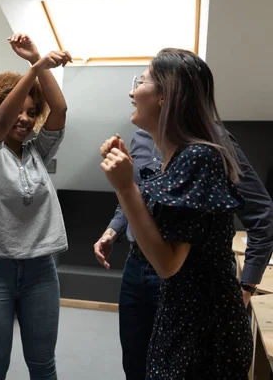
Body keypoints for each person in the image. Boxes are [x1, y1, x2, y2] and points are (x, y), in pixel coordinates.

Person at [100, 48, 253, 379]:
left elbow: (167, 264)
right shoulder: (178, 158)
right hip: (182, 315)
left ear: (164, 96)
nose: (132, 90)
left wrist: (125, 187)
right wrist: (124, 183)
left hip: (202, 327)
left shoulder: (198, 157)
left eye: (141, 80)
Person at [94, 127, 273, 379]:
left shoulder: (208, 143)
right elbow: (139, 195)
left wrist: (245, 288)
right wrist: (113, 229)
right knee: (135, 367)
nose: (132, 92)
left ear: (167, 91)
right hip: (136, 268)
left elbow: (261, 213)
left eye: (142, 84)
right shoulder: (141, 136)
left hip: (184, 275)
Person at [0, 33, 71, 380]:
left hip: (41, 271)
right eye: (18, 110)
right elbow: (0, 120)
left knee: (43, 363)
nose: (25, 119)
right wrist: (37, 68)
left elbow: (59, 109)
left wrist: (36, 60)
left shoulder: (37, 151)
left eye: (32, 112)